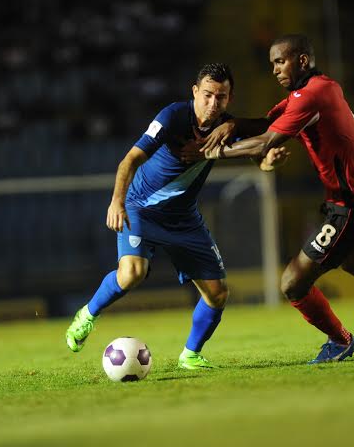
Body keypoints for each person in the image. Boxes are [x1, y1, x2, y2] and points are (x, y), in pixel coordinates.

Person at [181, 34, 354, 363]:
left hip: (352, 205)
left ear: (302, 60)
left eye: (280, 61)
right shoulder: (320, 88)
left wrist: (209, 152)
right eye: (272, 63)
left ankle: (340, 341)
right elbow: (266, 124)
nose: (274, 69)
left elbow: (266, 141)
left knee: (293, 283)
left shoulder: (309, 96)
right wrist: (234, 125)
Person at [65, 63, 235, 370]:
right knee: (132, 273)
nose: (213, 103)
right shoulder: (172, 117)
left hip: (184, 218)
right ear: (195, 92)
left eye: (220, 97)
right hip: (141, 207)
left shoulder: (229, 127)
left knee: (218, 293)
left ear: (229, 99)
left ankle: (191, 354)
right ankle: (87, 314)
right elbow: (130, 160)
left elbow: (261, 151)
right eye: (207, 95)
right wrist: (117, 202)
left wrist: (269, 159)